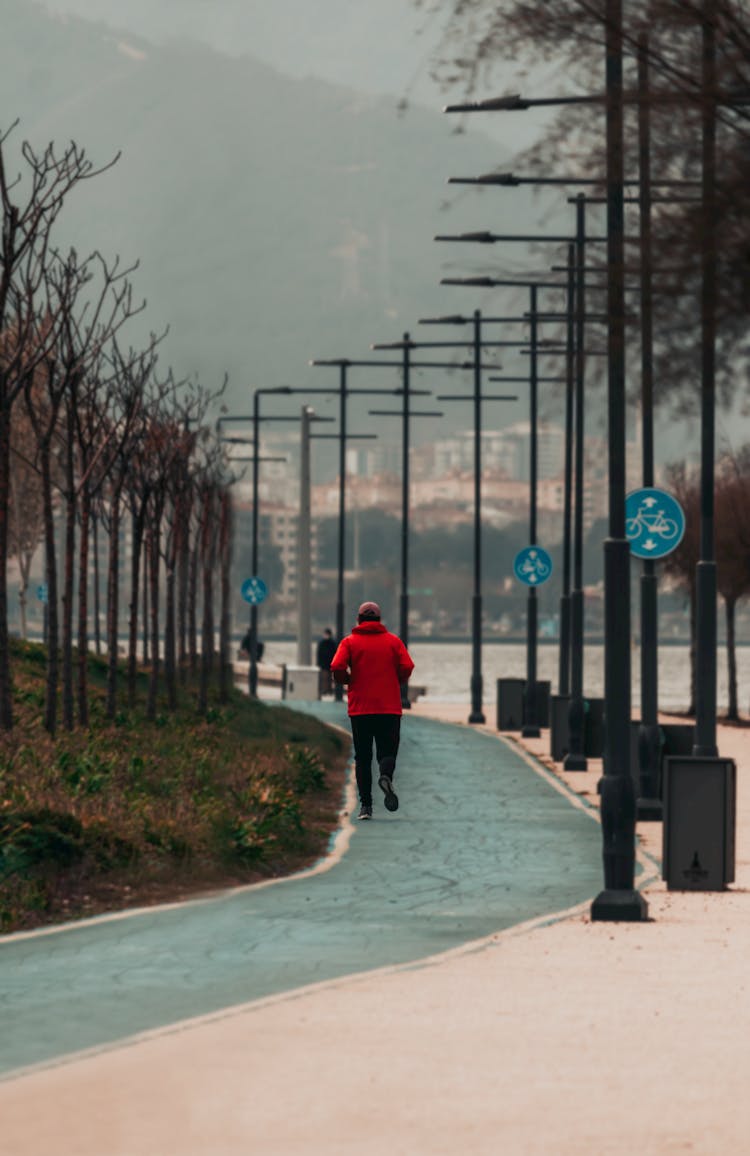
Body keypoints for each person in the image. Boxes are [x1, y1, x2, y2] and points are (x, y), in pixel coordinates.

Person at [329, 600, 414, 821]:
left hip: (360, 709)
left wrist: (346, 680)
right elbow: (407, 666)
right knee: (388, 751)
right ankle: (385, 775)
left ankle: (366, 806)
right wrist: (397, 680)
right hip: (389, 708)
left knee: (363, 757)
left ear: (358, 620)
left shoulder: (349, 642)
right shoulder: (393, 642)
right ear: (379, 620)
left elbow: (337, 666)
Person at [316, 627, 337, 696]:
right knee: (325, 678)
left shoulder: (326, 643)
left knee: (328, 678)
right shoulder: (330, 643)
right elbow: (319, 654)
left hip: (328, 664)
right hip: (325, 664)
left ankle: (328, 690)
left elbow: (319, 654)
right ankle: (326, 691)